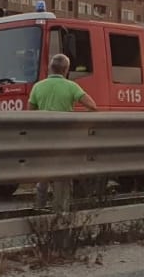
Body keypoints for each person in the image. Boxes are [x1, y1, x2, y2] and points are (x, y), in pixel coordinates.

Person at [29, 53, 98, 207]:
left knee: (43, 176)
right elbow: (93, 106)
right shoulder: (71, 86)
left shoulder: (38, 86)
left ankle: (39, 208)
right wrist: (78, 120)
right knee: (63, 175)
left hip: (42, 139)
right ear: (66, 70)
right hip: (64, 138)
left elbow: (29, 113)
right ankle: (61, 210)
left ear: (50, 68)